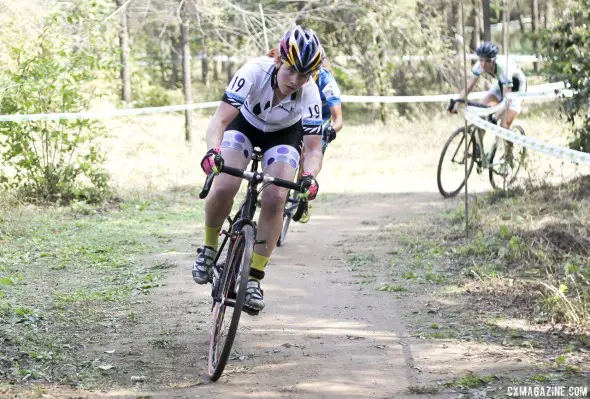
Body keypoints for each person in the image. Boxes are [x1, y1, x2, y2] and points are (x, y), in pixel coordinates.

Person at [192, 26, 325, 313]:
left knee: (277, 197)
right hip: (246, 125)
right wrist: (212, 153)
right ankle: (209, 248)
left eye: (304, 75)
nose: (296, 80)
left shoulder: (310, 92)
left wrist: (310, 177)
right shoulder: (253, 71)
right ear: (278, 60)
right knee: (226, 184)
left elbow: (314, 148)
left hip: (283, 136)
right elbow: (219, 122)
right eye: (291, 71)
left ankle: (254, 277)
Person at [449, 42, 527, 161]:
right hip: (502, 85)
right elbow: (468, 87)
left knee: (504, 125)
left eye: (487, 61)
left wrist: (496, 116)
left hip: (516, 89)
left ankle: (509, 154)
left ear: (494, 60)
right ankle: (478, 150)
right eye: (481, 60)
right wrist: (457, 103)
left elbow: (507, 99)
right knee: (481, 112)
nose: (484, 64)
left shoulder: (503, 68)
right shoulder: (479, 66)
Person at [297, 58, 344, 223]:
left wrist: (332, 130)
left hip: (321, 120)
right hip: (299, 115)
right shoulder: (295, 74)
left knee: (308, 155)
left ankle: (307, 196)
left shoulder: (327, 81)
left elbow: (338, 120)